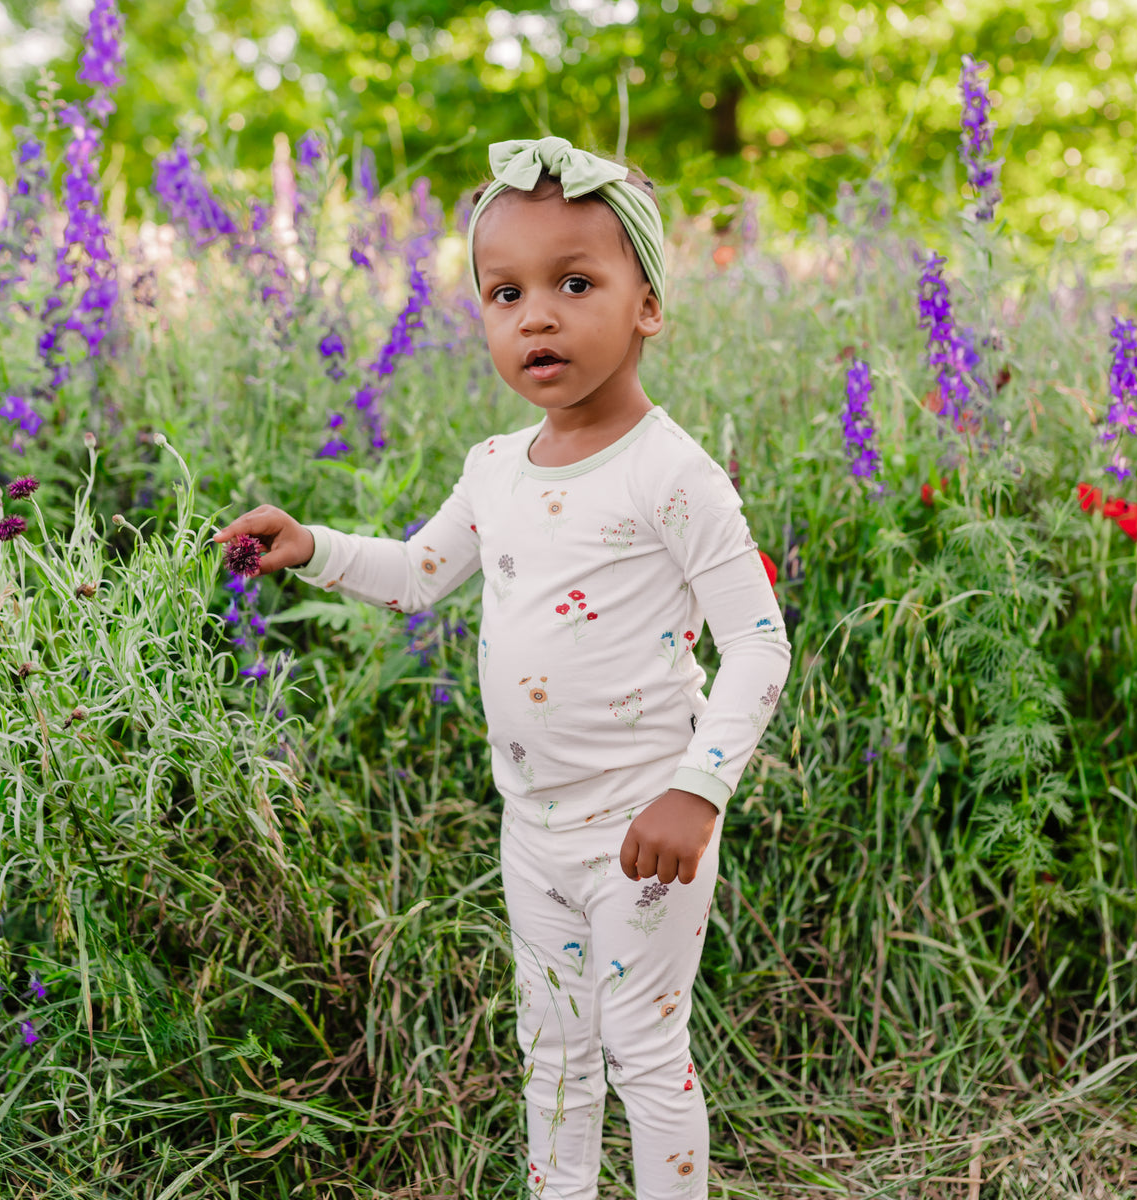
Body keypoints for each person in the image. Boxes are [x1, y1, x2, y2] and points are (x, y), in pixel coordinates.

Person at [213, 136, 791, 1199]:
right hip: (533, 829)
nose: (537, 315)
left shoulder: (672, 474)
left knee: (645, 1055)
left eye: (577, 283)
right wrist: (317, 547)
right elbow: (421, 572)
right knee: (555, 1052)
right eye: (506, 292)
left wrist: (696, 791)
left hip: (641, 826)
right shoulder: (493, 469)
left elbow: (759, 643)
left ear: (648, 304)